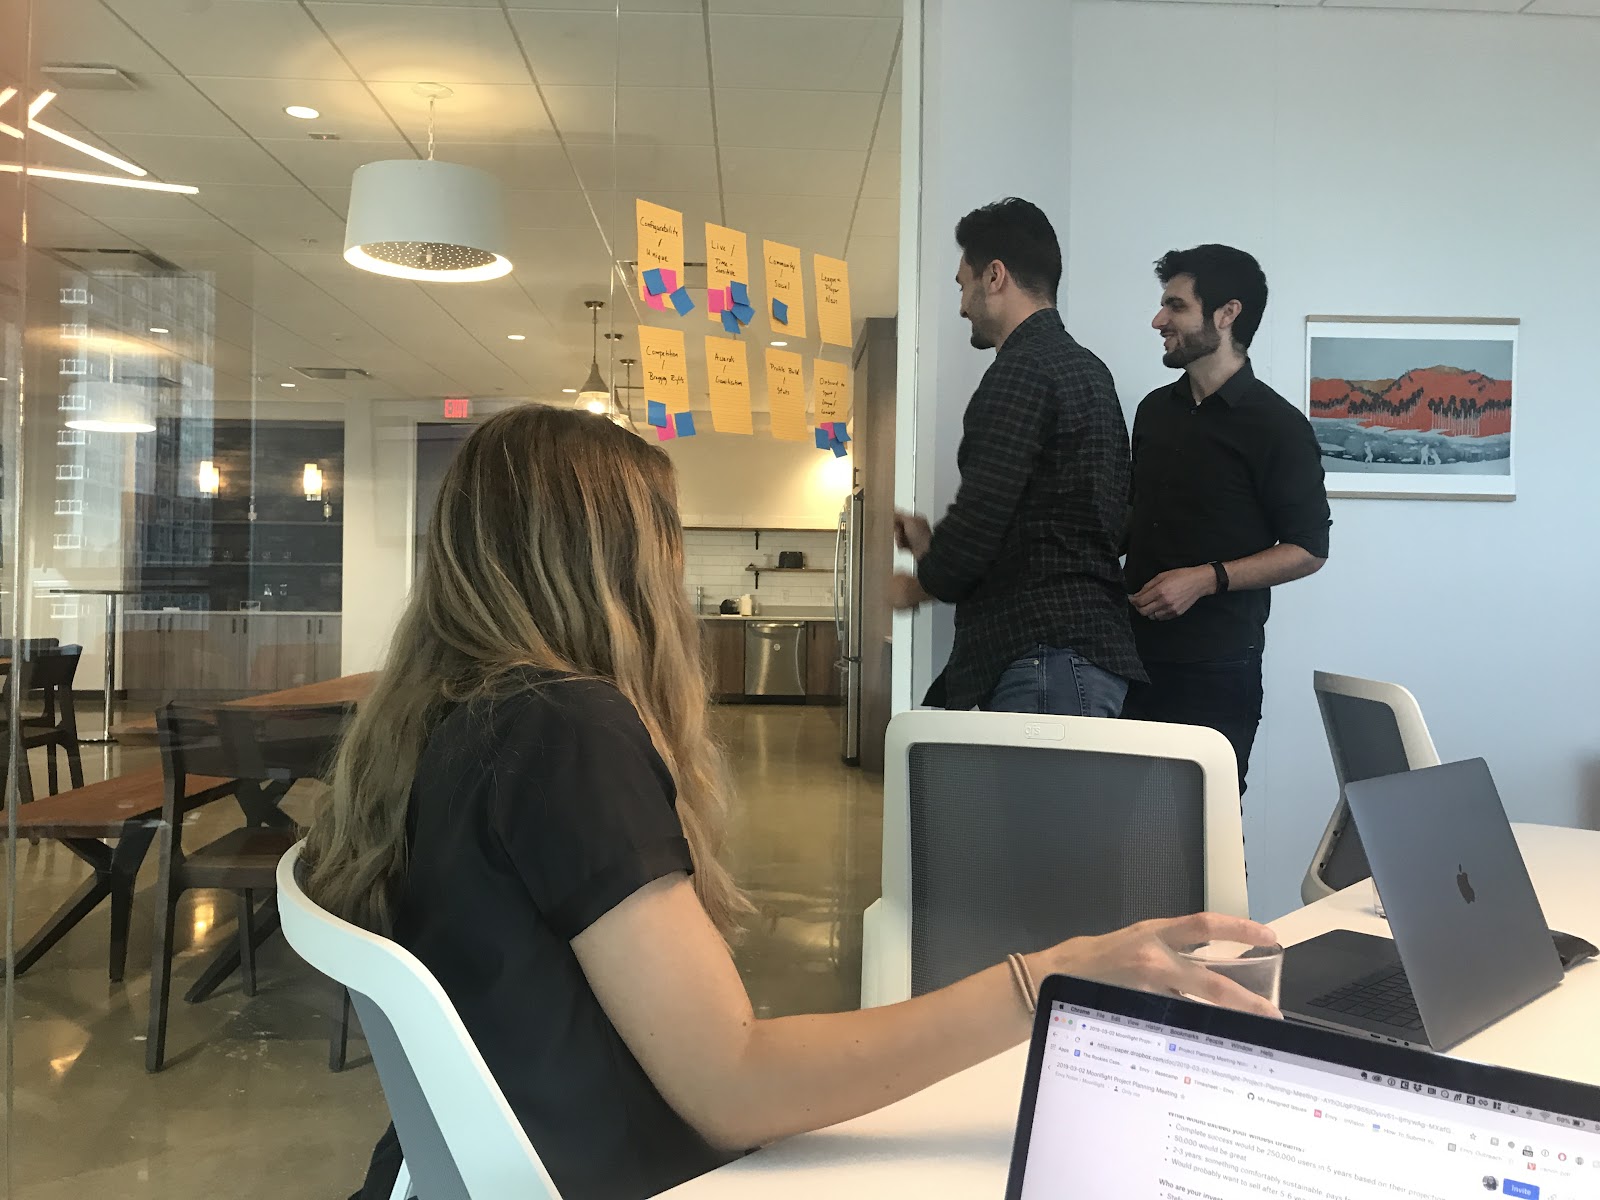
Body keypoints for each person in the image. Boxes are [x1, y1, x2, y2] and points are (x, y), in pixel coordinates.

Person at [302, 405, 1278, 1200]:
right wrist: (1044, 980)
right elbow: (733, 1085)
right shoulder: (562, 728)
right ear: (615, 559)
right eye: (664, 538)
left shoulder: (441, 716)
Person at [890, 198, 1144, 716]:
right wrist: (932, 547)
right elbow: (1100, 523)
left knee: (1044, 802)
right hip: (1076, 655)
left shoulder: (1021, 371)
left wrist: (920, 584)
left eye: (963, 284)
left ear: (995, 275)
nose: (961, 305)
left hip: (1045, 659)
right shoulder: (1088, 370)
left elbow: (984, 514)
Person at [1122, 245, 1331, 788]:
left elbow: (1309, 548)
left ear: (1226, 314)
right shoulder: (1152, 411)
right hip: (1127, 656)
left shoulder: (1278, 426)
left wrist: (1205, 579)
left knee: (1201, 842)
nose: (1158, 320)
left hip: (1216, 668)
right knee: (1123, 837)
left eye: (1175, 306)